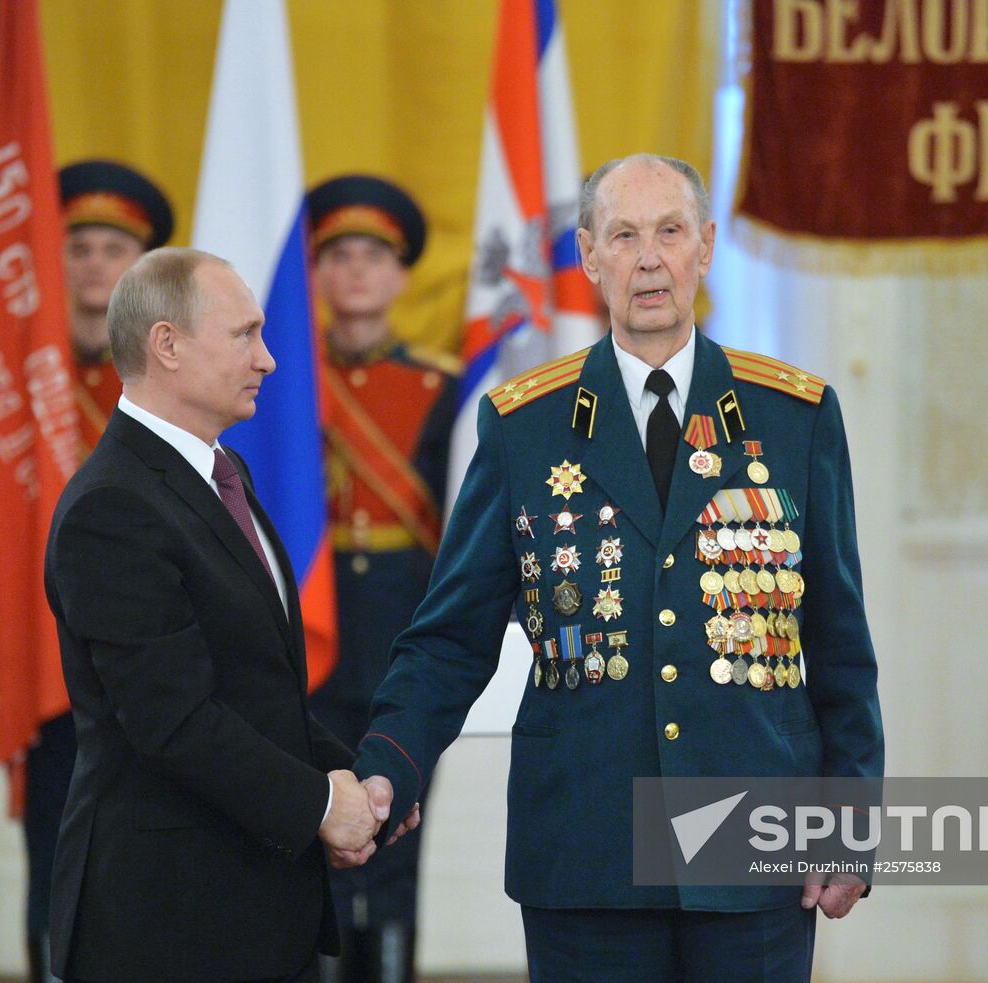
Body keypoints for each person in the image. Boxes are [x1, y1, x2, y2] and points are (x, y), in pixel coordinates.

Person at [347, 154, 884, 981]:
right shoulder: (525, 425)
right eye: (623, 235)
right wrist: (391, 763)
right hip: (586, 852)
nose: (648, 258)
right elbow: (450, 637)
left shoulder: (792, 416)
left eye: (670, 232)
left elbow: (839, 640)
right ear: (589, 257)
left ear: (704, 249)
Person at [44, 247, 415, 983]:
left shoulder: (225, 471)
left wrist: (358, 779)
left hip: (253, 906)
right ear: (168, 345)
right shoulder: (112, 506)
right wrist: (320, 805)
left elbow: (256, 687)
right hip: (165, 922)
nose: (271, 360)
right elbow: (173, 720)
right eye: (245, 334)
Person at [21, 159, 173, 983]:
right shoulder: (22, 382)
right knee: (52, 835)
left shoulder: (162, 385)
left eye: (112, 247)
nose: (90, 264)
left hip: (151, 640)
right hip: (45, 644)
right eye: (75, 245)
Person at [305, 174, 458, 983]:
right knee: (314, 835)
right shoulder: (283, 385)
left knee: (399, 837)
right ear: (317, 275)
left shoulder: (443, 386)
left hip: (403, 627)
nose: (356, 272)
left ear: (401, 276)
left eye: (374, 256)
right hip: (312, 629)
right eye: (338, 256)